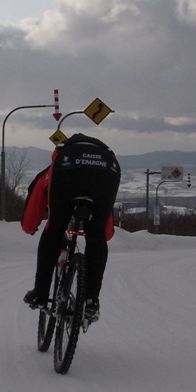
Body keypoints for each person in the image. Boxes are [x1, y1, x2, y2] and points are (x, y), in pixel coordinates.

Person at [21, 133, 121, 322]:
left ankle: (40, 294)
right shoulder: (107, 155)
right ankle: (91, 301)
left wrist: (29, 227)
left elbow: (35, 201)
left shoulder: (56, 163)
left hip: (67, 171)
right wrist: (100, 234)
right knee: (96, 235)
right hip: (108, 171)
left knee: (54, 228)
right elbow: (106, 227)